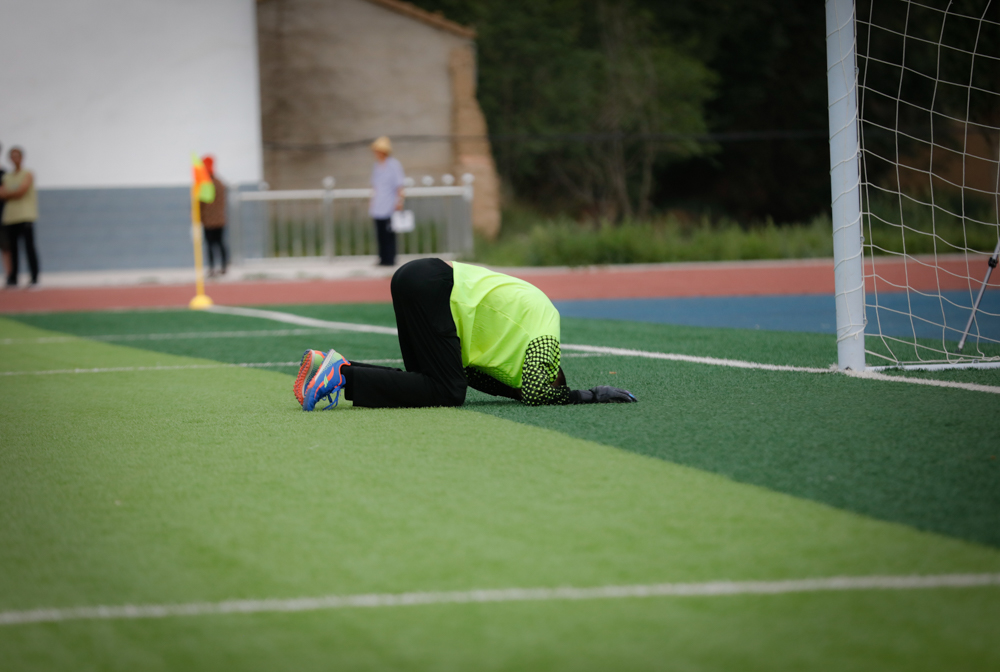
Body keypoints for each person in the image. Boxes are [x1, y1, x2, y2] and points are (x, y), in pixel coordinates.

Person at [293, 258, 637, 411]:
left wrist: (515, 393)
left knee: (430, 382)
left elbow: (475, 378)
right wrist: (590, 395)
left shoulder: (504, 350)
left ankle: (338, 370)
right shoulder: (546, 337)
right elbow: (535, 392)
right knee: (448, 392)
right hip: (435, 285)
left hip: (421, 277)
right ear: (553, 370)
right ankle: (340, 375)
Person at [0, 146, 40, 288]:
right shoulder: (6, 176)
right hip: (10, 217)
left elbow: (21, 191)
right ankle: (13, 278)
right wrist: (13, 192)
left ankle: (34, 278)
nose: (15, 159)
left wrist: (10, 192)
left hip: (26, 216)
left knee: (29, 248)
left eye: (17, 156)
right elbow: (2, 194)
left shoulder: (28, 173)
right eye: (12, 156)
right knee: (13, 249)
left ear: (22, 158)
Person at [369, 136, 405, 267]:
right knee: (380, 233)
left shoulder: (394, 165)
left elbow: (399, 185)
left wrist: (399, 202)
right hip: (378, 204)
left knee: (389, 233)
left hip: (390, 205)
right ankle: (382, 257)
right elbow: (375, 186)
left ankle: (390, 258)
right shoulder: (377, 166)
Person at [199, 155, 228, 277]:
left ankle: (212, 268)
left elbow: (201, 203)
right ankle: (223, 266)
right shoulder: (220, 184)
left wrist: (199, 216)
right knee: (220, 243)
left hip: (208, 221)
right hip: (220, 220)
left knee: (210, 244)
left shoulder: (205, 185)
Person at [0, 142, 9, 282]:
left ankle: (10, 276)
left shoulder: (4, 174)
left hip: (3, 216)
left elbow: (5, 193)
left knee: (6, 247)